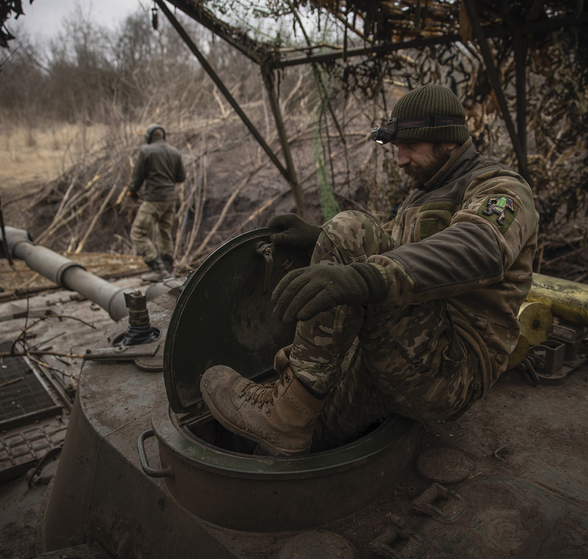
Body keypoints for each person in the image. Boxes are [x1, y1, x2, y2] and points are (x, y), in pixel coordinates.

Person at [201, 84, 539, 456]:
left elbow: (480, 247)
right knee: (302, 439)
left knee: (350, 226)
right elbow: (391, 248)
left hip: (452, 369)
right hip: (407, 352)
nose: (400, 159)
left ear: (446, 140)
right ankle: (291, 411)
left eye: (409, 146)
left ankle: (286, 413)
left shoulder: (499, 187)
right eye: (396, 148)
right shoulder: (422, 196)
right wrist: (318, 239)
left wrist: (362, 272)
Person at [127, 124, 186, 282]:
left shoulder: (146, 151)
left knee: (137, 232)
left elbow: (137, 177)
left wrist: (131, 191)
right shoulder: (175, 152)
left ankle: (156, 267)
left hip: (154, 199)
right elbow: (181, 177)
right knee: (164, 233)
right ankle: (168, 270)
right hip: (170, 199)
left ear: (148, 137)